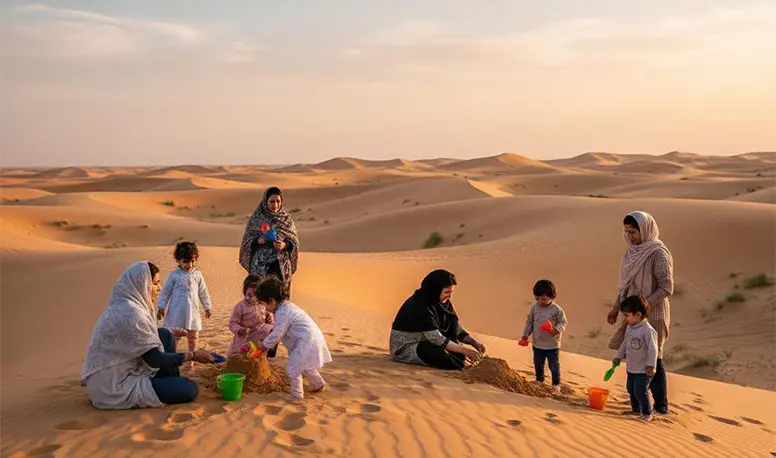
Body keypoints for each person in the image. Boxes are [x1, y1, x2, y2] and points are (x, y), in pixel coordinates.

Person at [81, 261, 213, 410]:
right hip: (113, 385)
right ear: (142, 284)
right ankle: (169, 385)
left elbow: (139, 338)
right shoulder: (131, 313)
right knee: (190, 389)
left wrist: (170, 332)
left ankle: (168, 382)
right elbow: (154, 359)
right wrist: (193, 355)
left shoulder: (127, 305)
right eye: (155, 283)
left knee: (164, 334)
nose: (160, 288)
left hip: (119, 373)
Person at [607, 211, 674, 415]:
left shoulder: (658, 253)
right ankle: (639, 404)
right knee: (635, 354)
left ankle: (661, 407)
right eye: (627, 232)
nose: (630, 236)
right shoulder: (631, 252)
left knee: (655, 358)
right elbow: (624, 287)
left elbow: (666, 287)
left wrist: (645, 304)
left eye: (634, 232)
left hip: (654, 315)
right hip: (633, 314)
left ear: (645, 229)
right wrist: (617, 307)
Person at [390, 269, 486, 370]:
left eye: (451, 292)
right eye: (446, 292)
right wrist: (465, 350)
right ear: (435, 289)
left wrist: (473, 342)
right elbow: (435, 337)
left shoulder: (442, 302)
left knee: (458, 351)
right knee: (435, 353)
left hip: (428, 341)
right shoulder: (420, 305)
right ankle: (464, 369)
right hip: (406, 348)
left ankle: (463, 365)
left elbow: (454, 326)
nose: (449, 296)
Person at [256, 276, 332, 400]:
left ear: (271, 300)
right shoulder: (286, 307)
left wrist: (264, 346)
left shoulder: (283, 312)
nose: (264, 307)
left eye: (264, 304)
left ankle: (296, 396)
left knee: (293, 368)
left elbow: (277, 334)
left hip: (306, 341)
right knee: (305, 365)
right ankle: (319, 384)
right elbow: (278, 330)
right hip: (310, 338)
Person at [157, 241, 213, 370]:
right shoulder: (174, 275)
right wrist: (161, 307)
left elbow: (203, 292)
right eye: (186, 261)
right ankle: (172, 361)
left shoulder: (198, 274)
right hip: (177, 312)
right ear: (178, 260)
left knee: (193, 336)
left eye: (192, 261)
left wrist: (207, 306)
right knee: (174, 337)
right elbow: (165, 292)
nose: (190, 265)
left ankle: (190, 362)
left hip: (192, 312)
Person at [238, 187, 299, 295]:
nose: (275, 205)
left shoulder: (286, 220)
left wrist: (284, 245)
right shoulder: (256, 219)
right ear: (265, 202)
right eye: (271, 201)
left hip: (281, 268)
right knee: (260, 301)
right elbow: (247, 243)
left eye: (278, 201)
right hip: (260, 268)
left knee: (279, 301)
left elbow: (293, 243)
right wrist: (259, 240)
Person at [613, 295, 659, 422]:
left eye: (627, 315)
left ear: (638, 314)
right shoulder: (630, 328)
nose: (625, 318)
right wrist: (618, 356)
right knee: (631, 389)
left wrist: (651, 364)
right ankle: (635, 409)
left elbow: (653, 349)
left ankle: (647, 413)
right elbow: (625, 343)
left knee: (640, 391)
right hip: (632, 368)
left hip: (644, 370)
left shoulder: (648, 330)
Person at [519, 280, 568, 392]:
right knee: (538, 364)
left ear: (552, 297)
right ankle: (539, 381)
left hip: (552, 345)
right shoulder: (534, 308)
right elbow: (529, 322)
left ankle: (556, 385)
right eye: (537, 298)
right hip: (537, 343)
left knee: (553, 366)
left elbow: (563, 322)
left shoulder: (556, 310)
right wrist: (525, 336)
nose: (540, 301)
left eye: (544, 299)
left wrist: (555, 330)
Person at [226, 274, 274, 357]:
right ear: (244, 292)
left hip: (258, 335)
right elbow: (232, 323)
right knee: (241, 355)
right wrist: (240, 330)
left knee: (270, 330)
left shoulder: (263, 304)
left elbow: (269, 318)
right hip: (245, 337)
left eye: (256, 295)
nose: (253, 298)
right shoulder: (240, 307)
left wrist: (269, 318)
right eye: (249, 295)